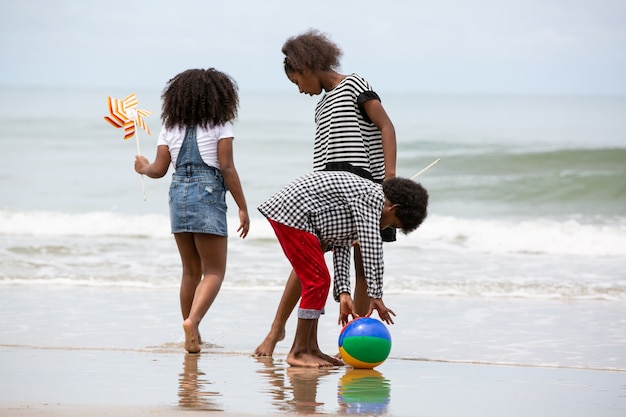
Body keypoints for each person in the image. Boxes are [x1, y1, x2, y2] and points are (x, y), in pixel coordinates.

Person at [254, 29, 397, 357]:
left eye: (297, 83)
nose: (301, 91)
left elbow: (385, 126)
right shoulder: (320, 106)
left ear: (306, 68)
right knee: (306, 264)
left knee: (363, 266)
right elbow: (323, 156)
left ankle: (352, 342)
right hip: (326, 196)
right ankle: (277, 329)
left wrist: (388, 179)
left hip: (364, 188)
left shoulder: (355, 85)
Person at [258, 171, 429, 367]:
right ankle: (298, 352)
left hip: (307, 219)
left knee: (320, 280)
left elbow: (341, 244)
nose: (385, 227)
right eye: (392, 223)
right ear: (393, 207)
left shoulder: (364, 207)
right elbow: (372, 248)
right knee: (318, 280)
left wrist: (344, 292)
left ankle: (312, 348)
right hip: (293, 213)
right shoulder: (372, 199)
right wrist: (376, 295)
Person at [134, 68, 250, 354]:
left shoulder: (169, 128)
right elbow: (226, 168)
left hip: (178, 193)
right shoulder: (220, 125)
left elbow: (159, 170)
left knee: (190, 271)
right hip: (208, 191)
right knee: (214, 271)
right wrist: (243, 207)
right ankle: (193, 322)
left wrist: (143, 167)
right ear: (219, 97)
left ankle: (192, 331)